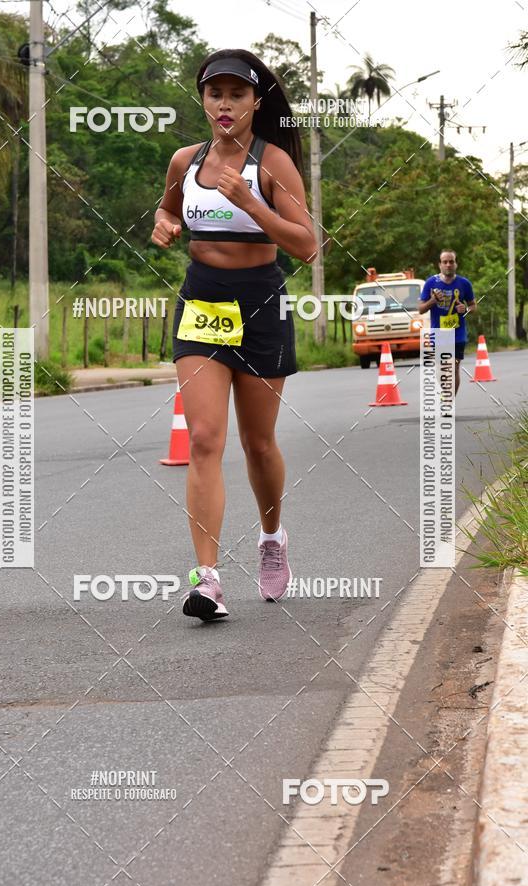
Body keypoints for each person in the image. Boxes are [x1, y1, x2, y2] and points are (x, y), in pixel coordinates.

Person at [151, 49, 318, 622]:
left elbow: (306, 244)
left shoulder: (272, 164)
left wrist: (250, 202)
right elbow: (169, 210)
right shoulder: (185, 160)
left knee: (259, 444)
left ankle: (272, 537)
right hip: (202, 299)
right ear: (203, 99)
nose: (224, 104)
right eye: (214, 93)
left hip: (260, 300)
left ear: (255, 102)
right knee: (203, 440)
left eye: (237, 94)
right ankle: (208, 579)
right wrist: (165, 224)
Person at [418, 249, 477, 395]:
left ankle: (449, 402)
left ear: (456, 264)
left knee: (453, 367)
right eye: (445, 262)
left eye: (451, 261)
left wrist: (466, 309)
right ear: (440, 265)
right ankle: (445, 394)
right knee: (442, 368)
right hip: (438, 333)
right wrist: (433, 300)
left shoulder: (464, 283)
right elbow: (420, 309)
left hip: (458, 333)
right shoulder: (431, 283)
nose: (448, 265)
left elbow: (473, 306)